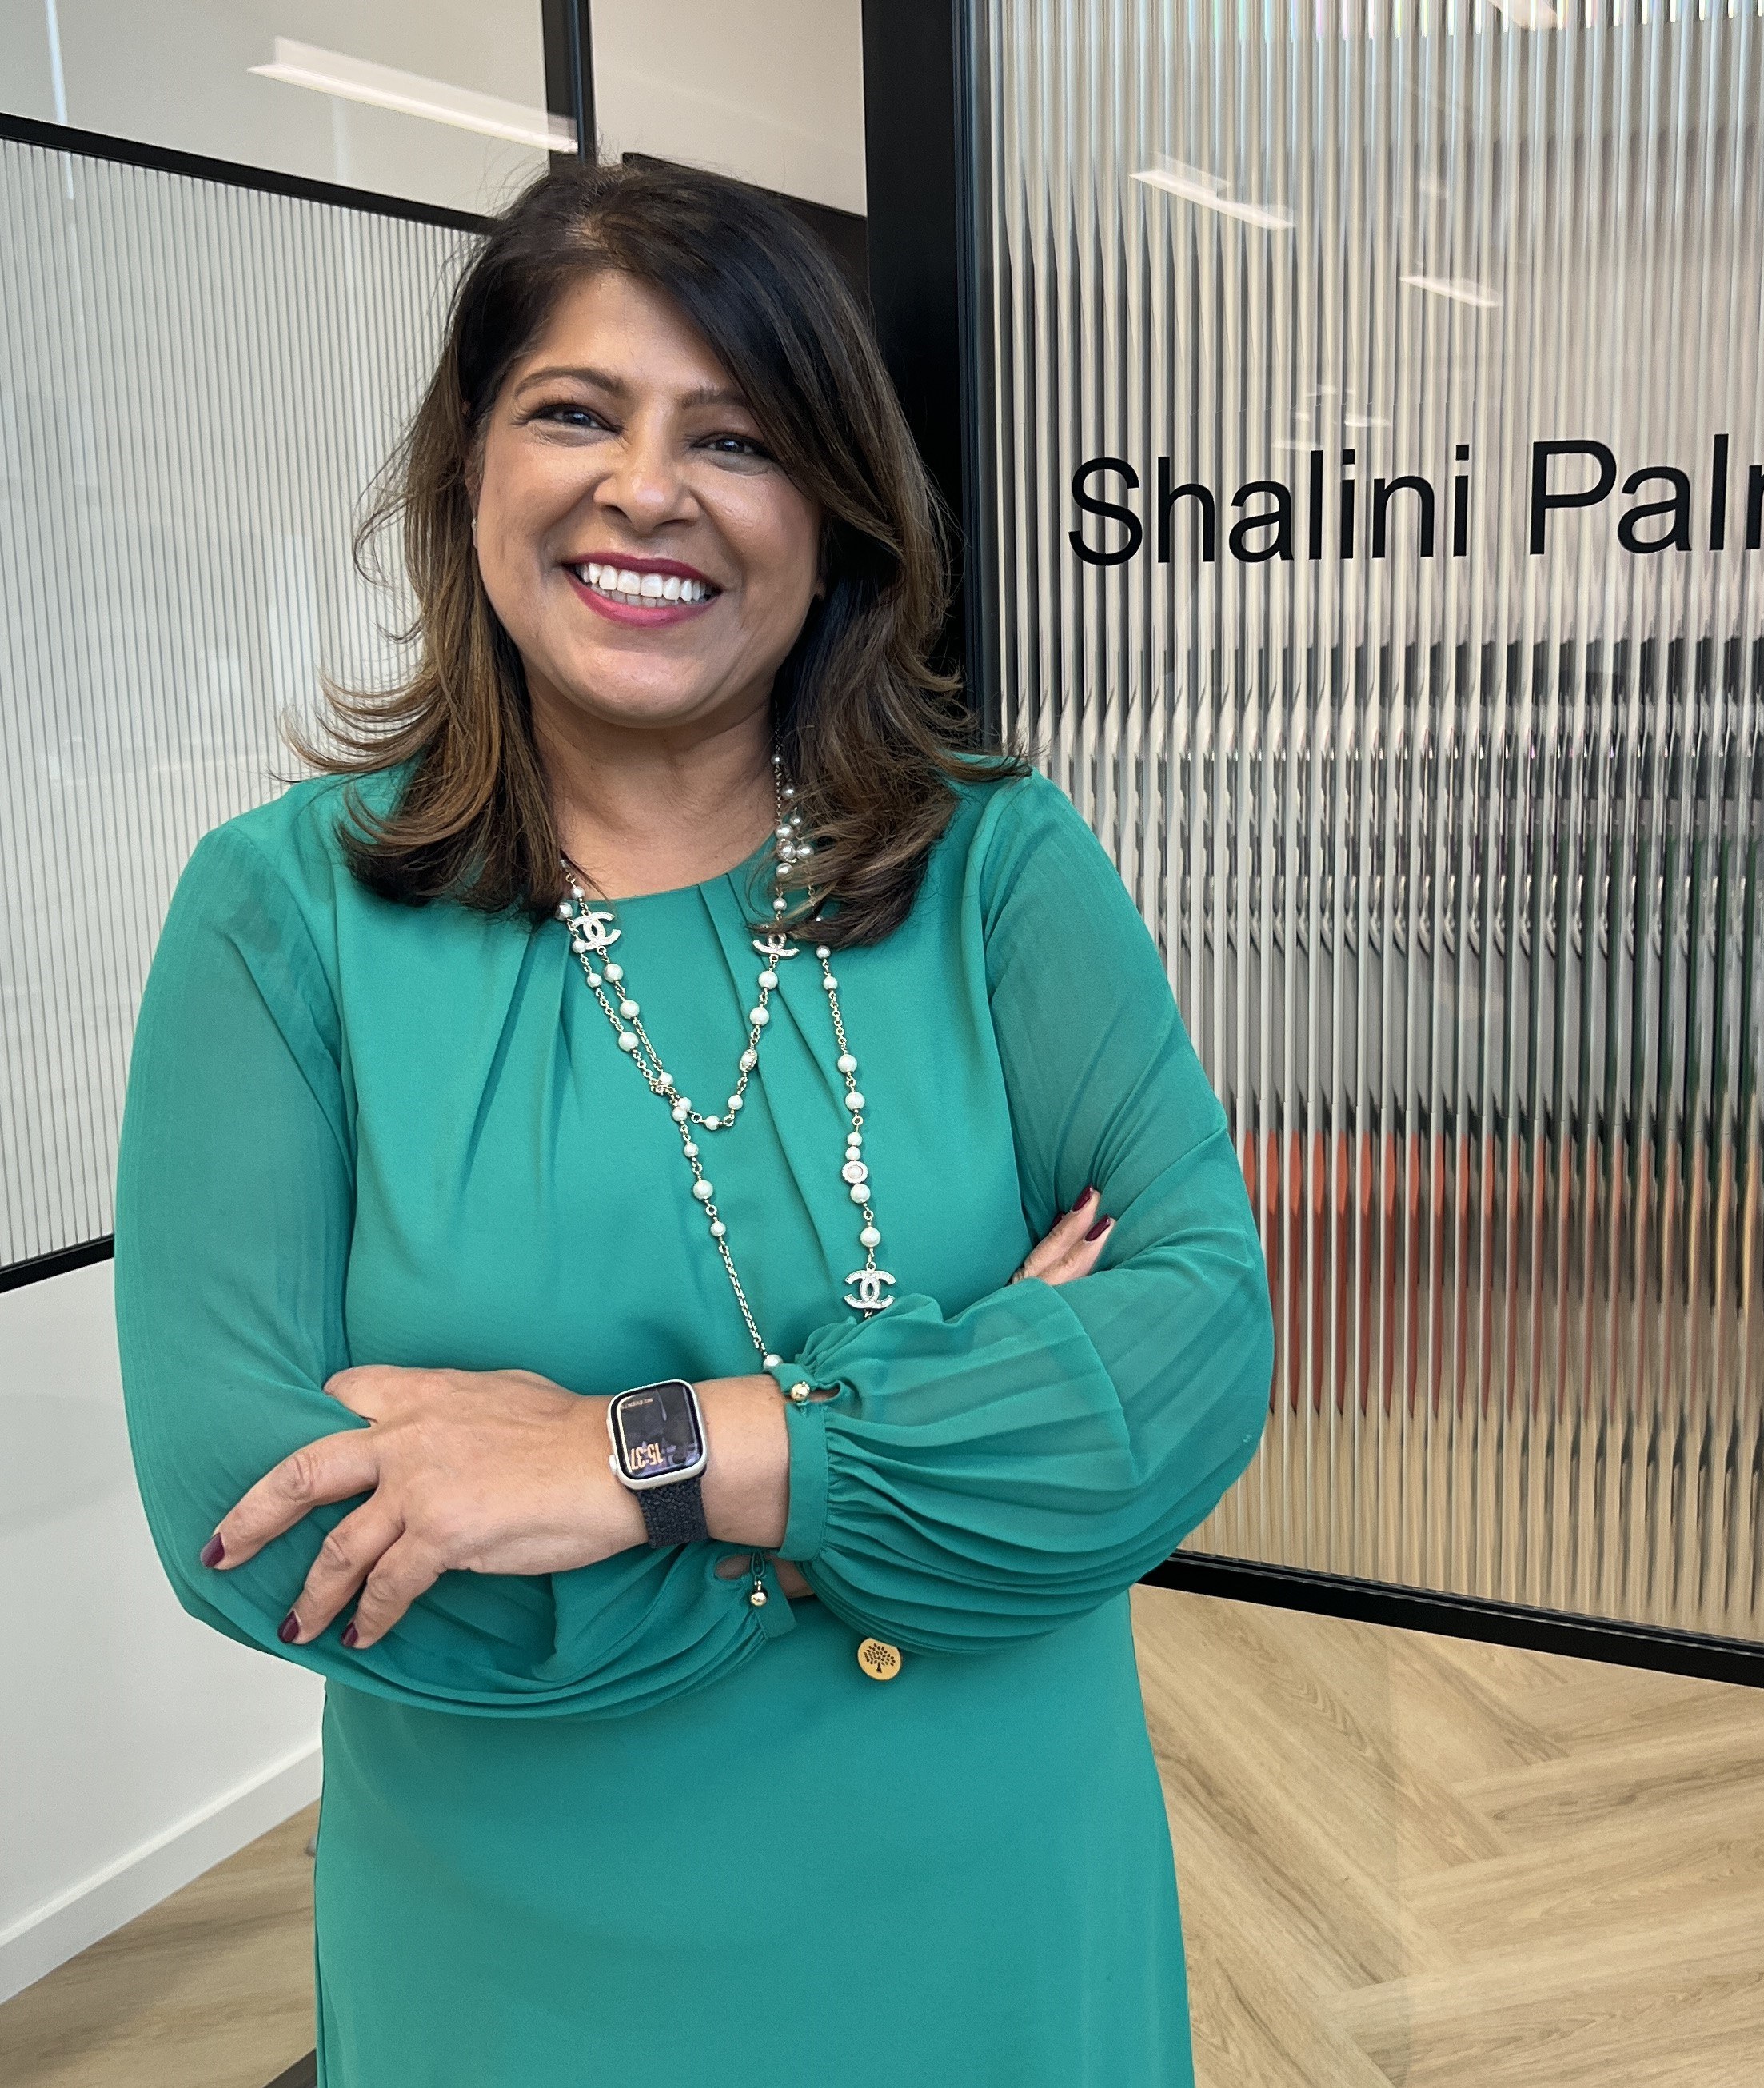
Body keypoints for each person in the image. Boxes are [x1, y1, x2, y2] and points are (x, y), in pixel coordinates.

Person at [115, 157, 1273, 2087]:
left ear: (829, 514)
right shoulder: (283, 913)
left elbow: (1192, 1355)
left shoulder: (997, 864)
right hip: (530, 1950)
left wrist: (623, 1460)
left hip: (989, 1907)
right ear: (467, 471)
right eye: (576, 412)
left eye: (733, 437)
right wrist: (913, 1469)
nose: (646, 489)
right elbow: (248, 1519)